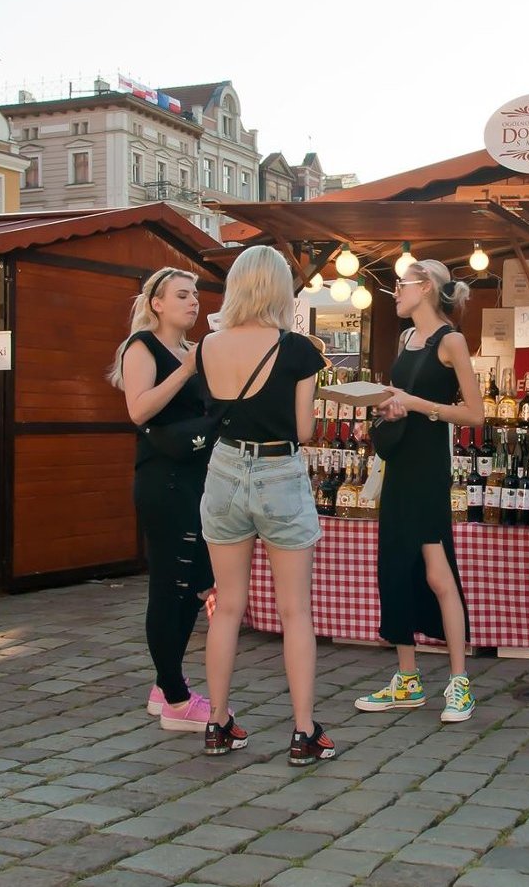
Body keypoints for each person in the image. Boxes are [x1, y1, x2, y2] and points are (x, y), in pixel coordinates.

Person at [197, 245, 332, 765]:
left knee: (227, 606)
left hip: (225, 469)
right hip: (278, 469)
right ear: (279, 290)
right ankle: (303, 732)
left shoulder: (208, 346)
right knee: (295, 610)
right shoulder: (298, 350)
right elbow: (302, 431)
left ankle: (218, 722)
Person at [355, 259, 484, 721]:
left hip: (428, 467)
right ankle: (407, 680)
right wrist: (388, 407)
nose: (395, 293)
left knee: (436, 568)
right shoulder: (405, 339)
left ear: (425, 287)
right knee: (395, 566)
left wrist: (416, 405)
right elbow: (402, 399)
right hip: (398, 465)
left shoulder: (450, 340)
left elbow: (474, 414)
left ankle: (459, 682)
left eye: (400, 285)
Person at [112, 266, 215, 732]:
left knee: (199, 579)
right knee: (169, 584)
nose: (193, 302)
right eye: (182, 295)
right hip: (163, 479)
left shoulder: (191, 349)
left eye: (195, 295)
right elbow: (139, 409)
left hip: (196, 478)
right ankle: (174, 697)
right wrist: (188, 371)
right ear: (157, 303)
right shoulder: (143, 347)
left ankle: (164, 682)